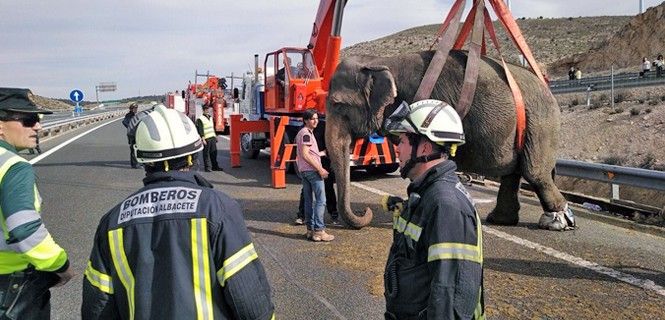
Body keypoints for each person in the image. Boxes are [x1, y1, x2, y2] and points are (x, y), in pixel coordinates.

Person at [82, 105, 275, 319]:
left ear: (142, 158)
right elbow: (249, 298)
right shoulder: (217, 208)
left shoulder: (113, 221)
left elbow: (98, 306)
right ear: (194, 154)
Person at [382, 99, 484, 319]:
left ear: (425, 147)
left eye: (402, 141)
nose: (397, 148)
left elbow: (450, 292)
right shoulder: (427, 195)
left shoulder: (445, 205)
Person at [0, 87, 74, 319]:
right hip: (11, 286)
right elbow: (24, 231)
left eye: (39, 120)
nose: (38, 127)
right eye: (29, 120)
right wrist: (61, 267)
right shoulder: (13, 167)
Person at [296, 109, 334, 242]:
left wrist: (322, 153)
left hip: (304, 171)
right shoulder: (306, 134)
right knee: (321, 200)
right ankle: (319, 231)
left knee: (308, 200)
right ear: (306, 120)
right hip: (312, 171)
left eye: (317, 118)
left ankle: (310, 230)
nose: (316, 121)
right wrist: (320, 169)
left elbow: (310, 152)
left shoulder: (303, 133)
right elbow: (306, 154)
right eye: (312, 119)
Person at [196, 104, 222, 172]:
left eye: (208, 109)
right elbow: (200, 129)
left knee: (214, 153)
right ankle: (207, 168)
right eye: (206, 109)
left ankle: (215, 166)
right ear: (203, 110)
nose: (207, 111)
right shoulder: (200, 119)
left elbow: (212, 128)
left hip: (212, 137)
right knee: (206, 154)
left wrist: (215, 136)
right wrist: (203, 138)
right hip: (206, 138)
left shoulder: (210, 118)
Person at [122, 103, 139, 168]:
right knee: (133, 149)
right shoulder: (129, 115)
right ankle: (134, 164)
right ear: (131, 109)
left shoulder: (135, 115)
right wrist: (130, 127)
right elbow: (124, 122)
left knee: (137, 148)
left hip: (136, 133)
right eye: (134, 108)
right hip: (132, 134)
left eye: (136, 108)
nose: (135, 109)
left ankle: (137, 162)